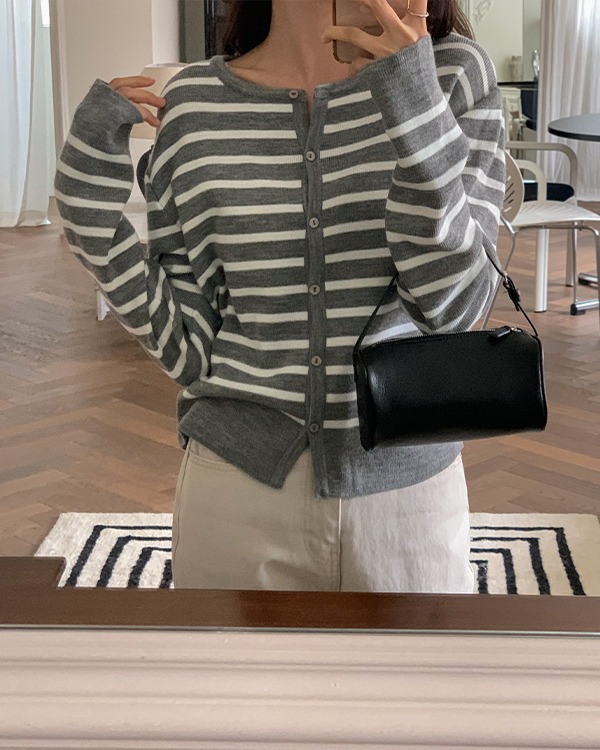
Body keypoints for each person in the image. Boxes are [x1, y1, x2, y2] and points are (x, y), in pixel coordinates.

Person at [54, 0, 505, 593]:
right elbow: (188, 349)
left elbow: (455, 310)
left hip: (408, 501)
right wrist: (89, 216)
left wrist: (412, 103)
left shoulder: (451, 76)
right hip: (234, 497)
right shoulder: (194, 105)